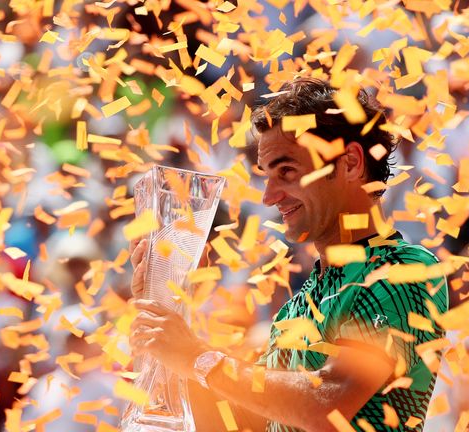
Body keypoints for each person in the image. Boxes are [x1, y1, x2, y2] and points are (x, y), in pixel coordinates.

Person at [128, 77, 450, 431]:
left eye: (286, 171)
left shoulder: (402, 271)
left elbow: (326, 406)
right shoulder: (298, 306)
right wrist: (168, 318)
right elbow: (242, 422)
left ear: (351, 163)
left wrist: (197, 356)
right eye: (267, 176)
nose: (269, 196)